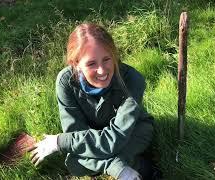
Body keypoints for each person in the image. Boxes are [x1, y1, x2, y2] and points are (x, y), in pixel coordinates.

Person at [29, 23, 155, 180]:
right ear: (76, 64)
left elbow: (115, 138)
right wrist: (116, 167)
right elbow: (75, 132)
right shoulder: (65, 81)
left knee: (87, 152)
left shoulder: (132, 80)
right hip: (94, 134)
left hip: (133, 131)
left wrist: (59, 141)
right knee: (74, 162)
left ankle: (144, 169)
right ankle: (124, 169)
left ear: (114, 55)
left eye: (107, 59)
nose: (102, 70)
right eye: (91, 63)